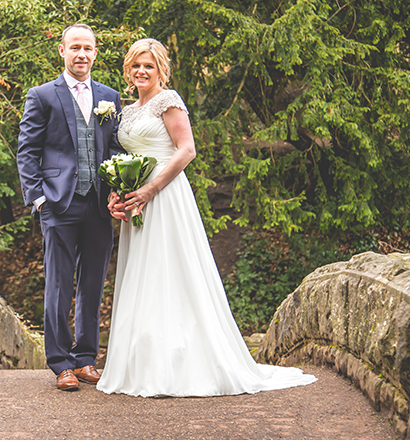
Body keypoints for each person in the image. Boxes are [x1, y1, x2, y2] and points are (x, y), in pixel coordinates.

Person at [97, 38, 317, 397]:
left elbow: (186, 150)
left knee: (172, 272)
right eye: (136, 65)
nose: (141, 71)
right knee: (143, 276)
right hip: (135, 200)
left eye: (149, 66)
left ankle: (181, 363)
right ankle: (142, 363)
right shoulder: (127, 110)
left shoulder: (168, 102)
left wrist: (152, 190)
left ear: (160, 70)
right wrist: (117, 192)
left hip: (165, 198)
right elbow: (122, 157)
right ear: (127, 69)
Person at [17, 24, 122, 391]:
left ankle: (86, 360)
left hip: (98, 204)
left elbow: (113, 150)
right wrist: (39, 198)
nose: (82, 54)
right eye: (75, 47)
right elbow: (27, 151)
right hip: (58, 203)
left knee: (93, 283)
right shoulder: (43, 95)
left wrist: (117, 191)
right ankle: (60, 363)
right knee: (59, 285)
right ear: (62, 51)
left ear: (96, 53)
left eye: (88, 48)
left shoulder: (109, 96)